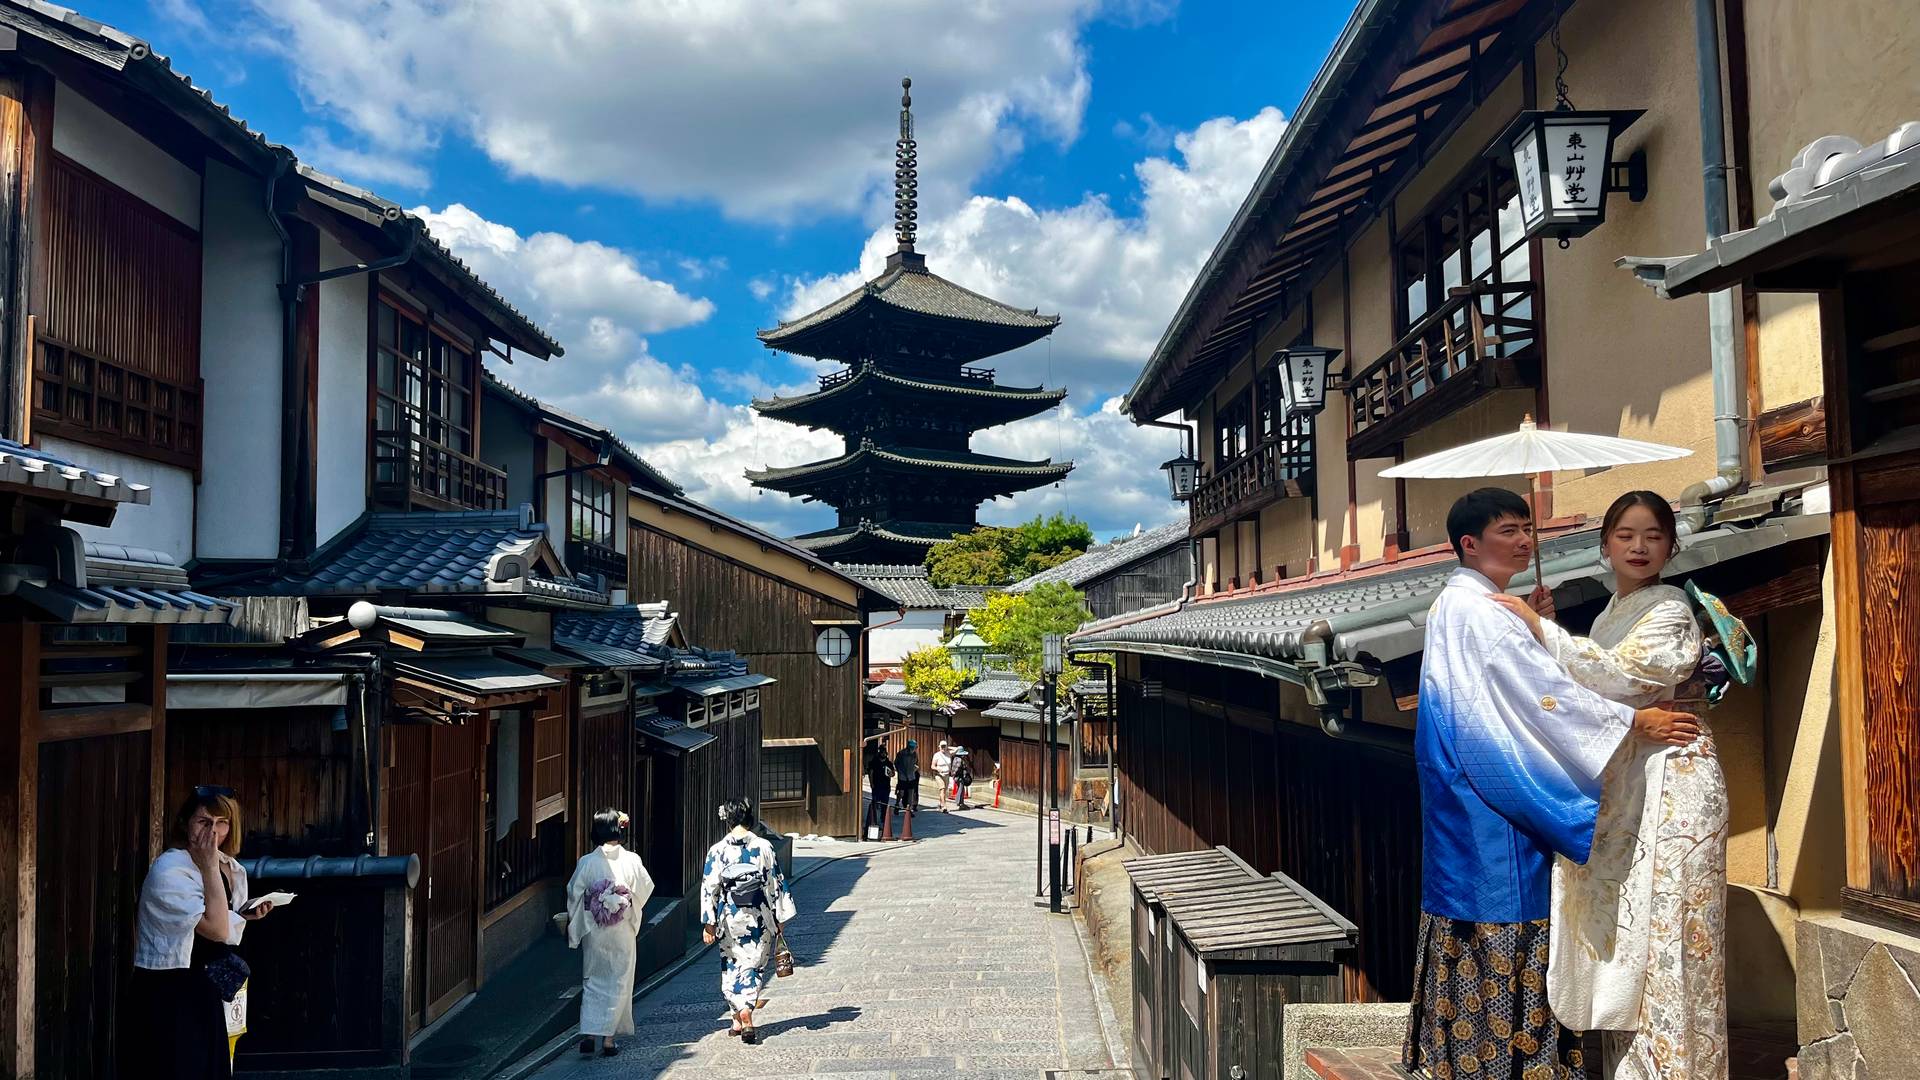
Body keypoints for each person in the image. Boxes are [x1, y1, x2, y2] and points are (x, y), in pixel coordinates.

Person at [1404, 488, 1699, 1080]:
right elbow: (1546, 699)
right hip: (1495, 785)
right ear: (1470, 544)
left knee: (1467, 915)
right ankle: (1512, 1064)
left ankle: (1462, 1059)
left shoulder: (1455, 603)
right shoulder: (1488, 612)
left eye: (1527, 529)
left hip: (1459, 784)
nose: (1524, 541)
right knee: (1509, 913)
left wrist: (1544, 631)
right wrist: (1633, 721)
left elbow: (1545, 680)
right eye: (1509, 531)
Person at [1490, 491, 1727, 1080]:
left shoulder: (1670, 608)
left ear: (1672, 546)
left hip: (1675, 782)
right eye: (1625, 535)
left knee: (1671, 931)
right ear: (1605, 545)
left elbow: (1620, 675)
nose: (1639, 547)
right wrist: (1549, 629)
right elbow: (1585, 685)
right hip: (1632, 780)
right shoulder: (1609, 614)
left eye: (1653, 535)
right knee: (1632, 937)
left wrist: (1541, 630)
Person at [130, 787, 275, 1079]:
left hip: (203, 989)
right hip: (172, 991)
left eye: (222, 823)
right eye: (204, 821)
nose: (213, 832)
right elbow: (217, 929)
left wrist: (241, 914)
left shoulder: (221, 864)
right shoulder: (170, 871)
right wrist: (209, 867)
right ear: (185, 824)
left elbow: (212, 916)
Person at [700, 800, 796, 1044]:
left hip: (729, 916)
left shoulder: (717, 850)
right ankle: (745, 1011)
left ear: (728, 820)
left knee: (732, 963)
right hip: (759, 914)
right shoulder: (764, 846)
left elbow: (710, 887)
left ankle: (737, 1017)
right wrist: (780, 916)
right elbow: (775, 882)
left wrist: (709, 922)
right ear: (749, 817)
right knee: (754, 965)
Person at [567, 808, 656, 1057]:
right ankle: (608, 1040)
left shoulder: (586, 862)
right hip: (622, 929)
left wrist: (579, 923)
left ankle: (589, 1033)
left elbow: (574, 894)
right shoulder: (631, 860)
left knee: (593, 979)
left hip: (595, 928)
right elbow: (645, 888)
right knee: (619, 980)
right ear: (619, 829)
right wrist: (625, 904)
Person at [864, 743, 894, 836]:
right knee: (875, 803)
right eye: (882, 752)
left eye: (885, 753)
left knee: (885, 803)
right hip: (876, 785)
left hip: (886, 786)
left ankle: (883, 819)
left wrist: (891, 774)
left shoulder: (889, 763)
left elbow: (893, 773)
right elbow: (871, 773)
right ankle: (874, 820)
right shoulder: (874, 762)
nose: (883, 754)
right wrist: (871, 783)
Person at [894, 739, 921, 818]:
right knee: (901, 793)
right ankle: (897, 805)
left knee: (911, 793)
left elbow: (916, 763)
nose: (914, 749)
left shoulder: (915, 754)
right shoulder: (901, 753)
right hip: (902, 776)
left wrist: (915, 768)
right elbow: (896, 763)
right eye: (913, 747)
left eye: (915, 747)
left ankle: (909, 809)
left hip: (911, 775)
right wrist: (899, 771)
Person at [932, 741, 954, 811]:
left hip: (946, 774)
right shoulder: (937, 755)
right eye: (942, 746)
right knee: (942, 789)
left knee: (944, 791)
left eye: (944, 746)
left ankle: (940, 804)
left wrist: (948, 747)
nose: (943, 748)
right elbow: (932, 766)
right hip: (939, 775)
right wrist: (937, 769)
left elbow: (957, 749)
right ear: (939, 747)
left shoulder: (949, 753)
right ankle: (944, 806)